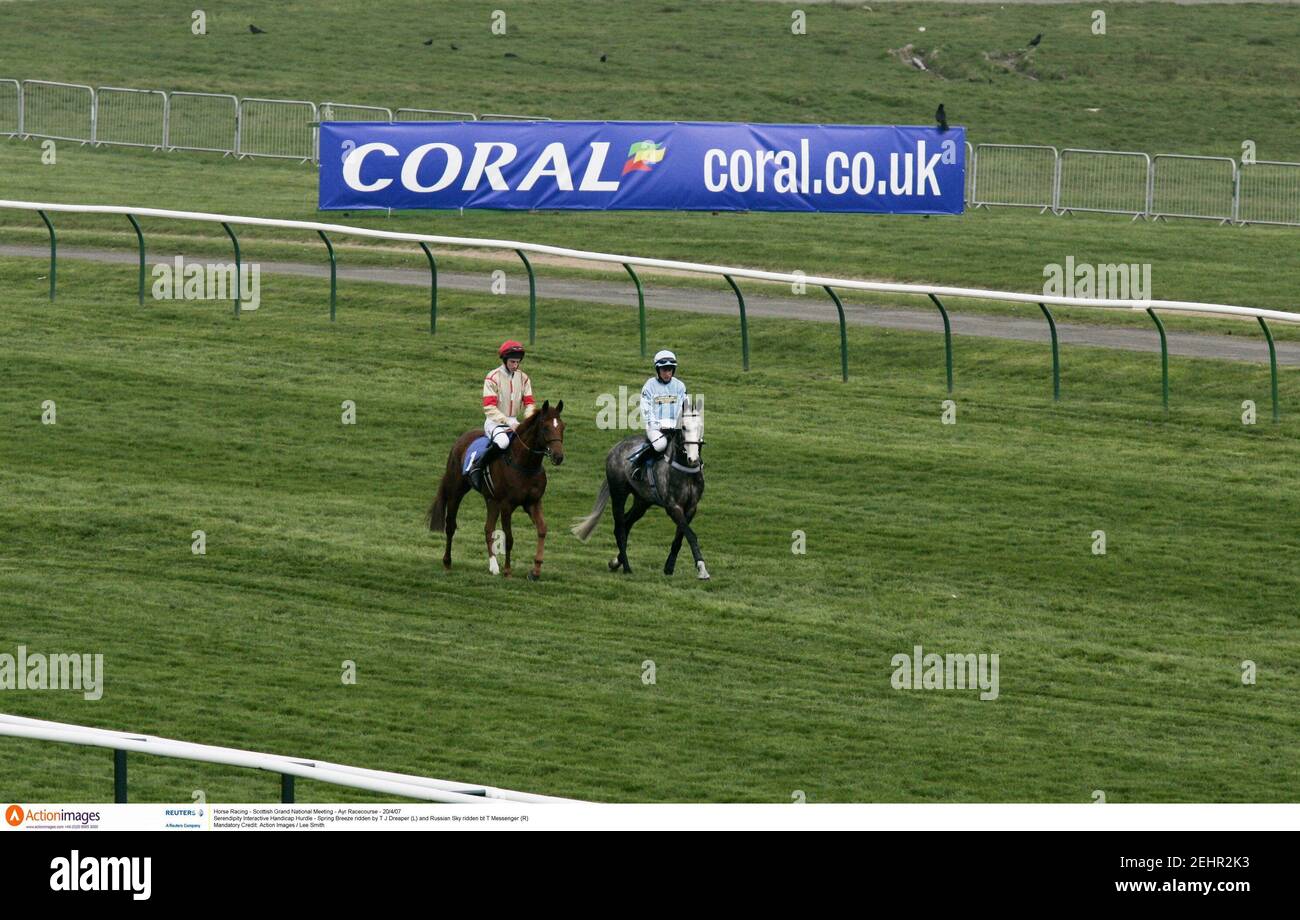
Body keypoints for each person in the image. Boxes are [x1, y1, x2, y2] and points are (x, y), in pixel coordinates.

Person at [467, 340, 536, 490]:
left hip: (514, 421)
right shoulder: (492, 377)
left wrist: (529, 418)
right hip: (494, 422)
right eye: (512, 362)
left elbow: (529, 402)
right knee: (503, 442)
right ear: (504, 360)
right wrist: (506, 421)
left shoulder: (524, 378)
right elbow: (489, 407)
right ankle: (477, 468)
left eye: (517, 362)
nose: (515, 365)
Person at [629, 349, 687, 480]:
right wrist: (658, 426)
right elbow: (646, 409)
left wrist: (678, 425)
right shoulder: (649, 386)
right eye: (664, 370)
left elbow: (684, 408)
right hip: (656, 428)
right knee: (660, 445)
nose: (667, 373)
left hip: (675, 427)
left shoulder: (680, 386)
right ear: (658, 370)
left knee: (691, 442)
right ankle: (637, 465)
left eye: (670, 370)